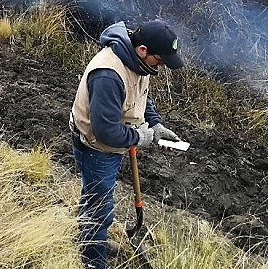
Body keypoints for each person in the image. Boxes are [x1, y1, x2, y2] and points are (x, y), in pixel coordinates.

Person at [69, 20, 184, 269]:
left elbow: (140, 93)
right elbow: (106, 132)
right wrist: (139, 138)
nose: (161, 67)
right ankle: (93, 261)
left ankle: (90, 239)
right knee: (99, 207)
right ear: (142, 49)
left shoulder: (139, 64)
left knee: (94, 196)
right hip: (96, 147)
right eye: (160, 60)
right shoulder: (108, 75)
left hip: (113, 141)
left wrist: (154, 124)